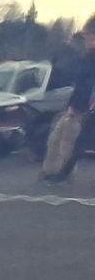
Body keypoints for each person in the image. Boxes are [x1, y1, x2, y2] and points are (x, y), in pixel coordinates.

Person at [44, 15, 95, 182]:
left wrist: (79, 107)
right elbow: (81, 84)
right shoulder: (87, 57)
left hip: (85, 108)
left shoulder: (90, 59)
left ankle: (61, 174)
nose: (86, 40)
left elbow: (87, 86)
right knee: (60, 139)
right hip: (79, 107)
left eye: (89, 36)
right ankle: (56, 172)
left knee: (72, 142)